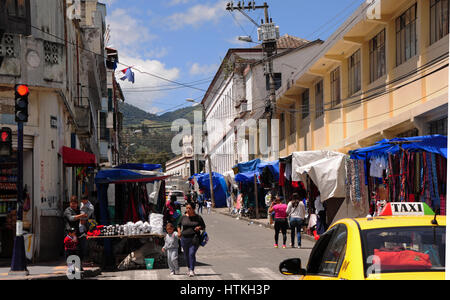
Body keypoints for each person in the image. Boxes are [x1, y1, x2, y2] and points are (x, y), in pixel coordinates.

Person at [177, 203, 206, 277]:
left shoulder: (198, 217)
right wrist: (179, 232)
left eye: (189, 208)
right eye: (187, 208)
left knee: (191, 254)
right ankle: (189, 268)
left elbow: (203, 226)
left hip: (195, 238)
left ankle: (192, 270)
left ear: (193, 209)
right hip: (184, 238)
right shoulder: (183, 217)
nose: (188, 210)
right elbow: (178, 225)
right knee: (186, 255)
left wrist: (199, 228)